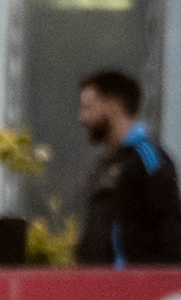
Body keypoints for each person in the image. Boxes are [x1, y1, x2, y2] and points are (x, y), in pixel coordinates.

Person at [75, 69, 181, 266]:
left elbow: (170, 230)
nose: (82, 117)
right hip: (99, 285)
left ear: (113, 106)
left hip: (132, 287)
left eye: (88, 107)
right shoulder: (104, 163)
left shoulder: (148, 158)